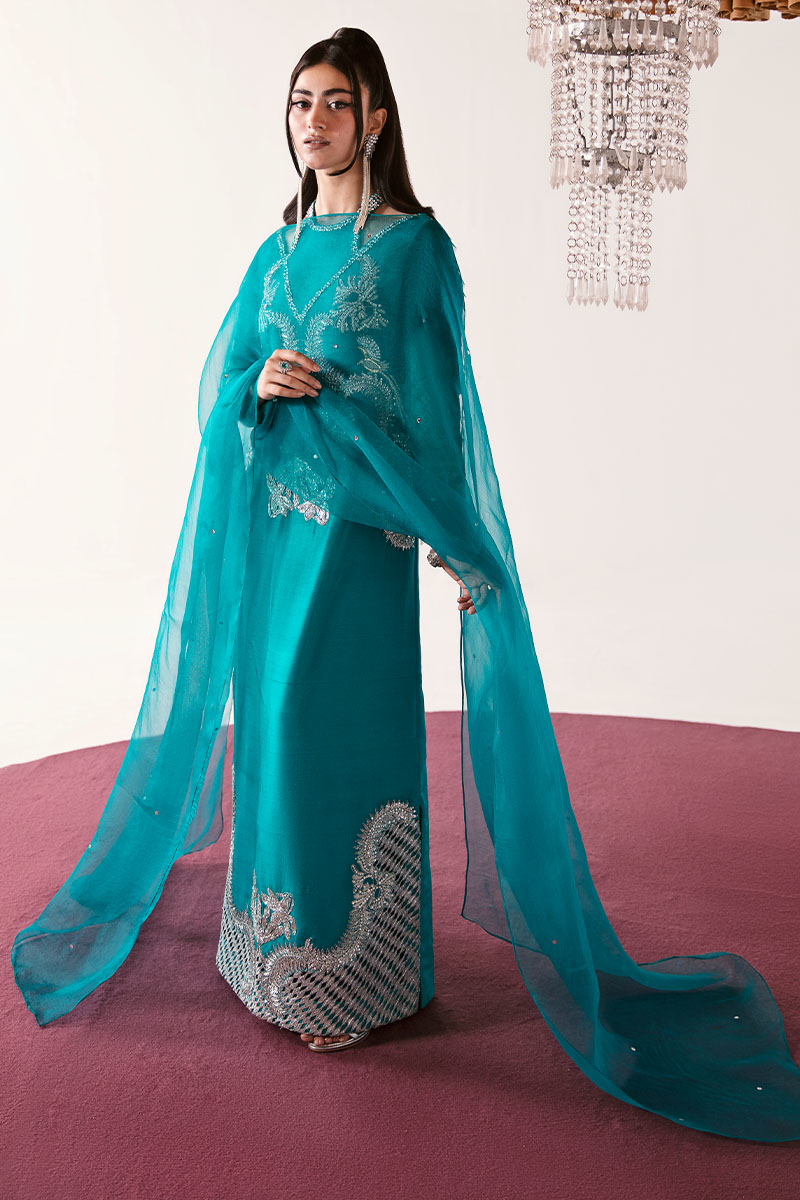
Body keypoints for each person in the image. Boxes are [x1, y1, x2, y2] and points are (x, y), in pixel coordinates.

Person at [11, 26, 800, 1138]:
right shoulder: (276, 250)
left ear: (376, 118)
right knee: (267, 723)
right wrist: (258, 382)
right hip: (274, 539)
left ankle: (356, 975)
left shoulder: (414, 249)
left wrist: (459, 538)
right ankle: (267, 954)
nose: (314, 121)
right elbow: (216, 387)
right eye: (300, 102)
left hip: (358, 546)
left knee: (324, 723)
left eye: (336, 102)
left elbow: (439, 408)